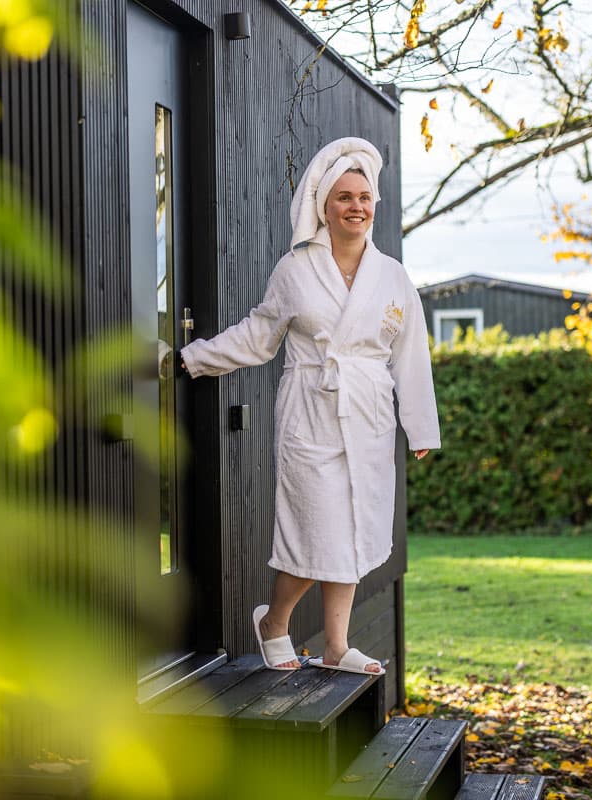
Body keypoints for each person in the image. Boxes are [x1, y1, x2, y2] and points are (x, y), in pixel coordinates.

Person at [180, 137, 441, 675]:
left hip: (368, 414)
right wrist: (196, 359)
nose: (356, 206)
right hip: (311, 410)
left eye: (364, 197)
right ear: (323, 207)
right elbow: (259, 335)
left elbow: (411, 355)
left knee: (353, 529)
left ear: (375, 205)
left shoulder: (392, 276)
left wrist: (420, 429)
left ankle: (336, 647)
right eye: (344, 196)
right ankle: (275, 621)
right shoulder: (295, 269)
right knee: (314, 528)